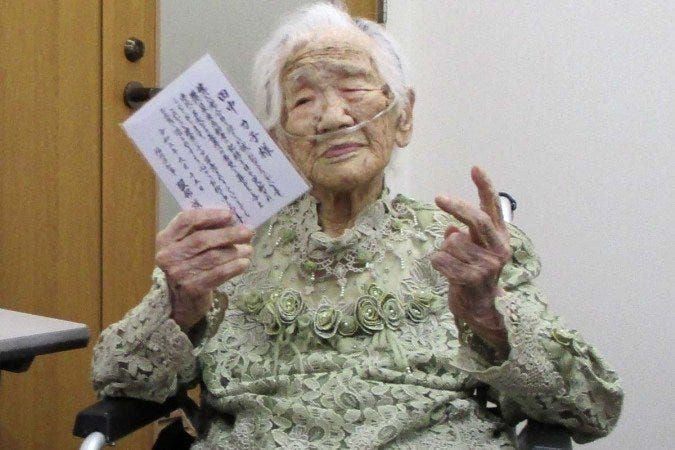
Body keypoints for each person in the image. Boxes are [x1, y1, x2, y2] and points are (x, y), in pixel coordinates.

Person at [92, 3, 622, 448]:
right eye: (303, 99)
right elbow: (116, 380)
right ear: (278, 140)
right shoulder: (225, 253)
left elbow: (592, 407)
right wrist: (179, 305)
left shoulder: (466, 251)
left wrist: (488, 313)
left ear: (403, 115)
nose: (332, 117)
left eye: (353, 88)